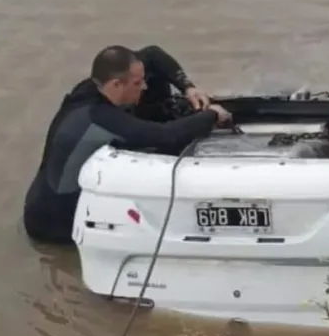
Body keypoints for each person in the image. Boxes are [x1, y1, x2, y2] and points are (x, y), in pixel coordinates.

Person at [23, 45, 232, 245]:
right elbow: (167, 136)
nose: (144, 86)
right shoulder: (102, 118)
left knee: (154, 87)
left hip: (39, 193)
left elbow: (152, 54)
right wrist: (212, 115)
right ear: (115, 84)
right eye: (137, 83)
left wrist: (188, 87)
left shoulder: (91, 87)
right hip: (53, 223)